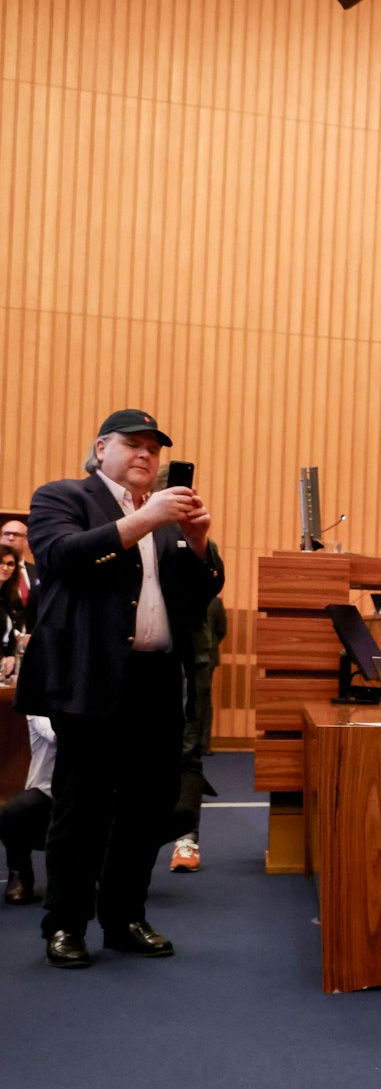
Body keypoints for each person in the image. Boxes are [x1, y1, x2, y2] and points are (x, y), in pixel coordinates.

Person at [15, 410, 225, 968]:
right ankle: (66, 923)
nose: (146, 456)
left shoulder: (168, 516)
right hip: (92, 678)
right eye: (134, 444)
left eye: (154, 449)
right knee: (81, 806)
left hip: (157, 679)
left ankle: (125, 915)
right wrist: (147, 518)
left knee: (148, 806)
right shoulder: (63, 496)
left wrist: (198, 542)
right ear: (101, 447)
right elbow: (61, 556)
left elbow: (201, 592)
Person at [168, 588, 228, 872]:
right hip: (136, 656)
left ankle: (186, 839)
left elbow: (213, 577)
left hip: (192, 659)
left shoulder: (210, 597)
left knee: (189, 750)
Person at [2, 715, 54, 905]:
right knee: (15, 813)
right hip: (47, 796)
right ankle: (19, 873)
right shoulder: (39, 708)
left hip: (92, 798)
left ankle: (101, 869)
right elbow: (58, 734)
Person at [0, 517, 36, 624]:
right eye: (6, 534)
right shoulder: (3, 572)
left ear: (27, 540)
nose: (10, 538)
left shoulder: (37, 571)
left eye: (16, 535)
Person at [0, 549, 26, 682]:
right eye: (0, 562)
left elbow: (10, 632)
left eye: (10, 564)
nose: (5, 568)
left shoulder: (8, 597)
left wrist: (10, 655)